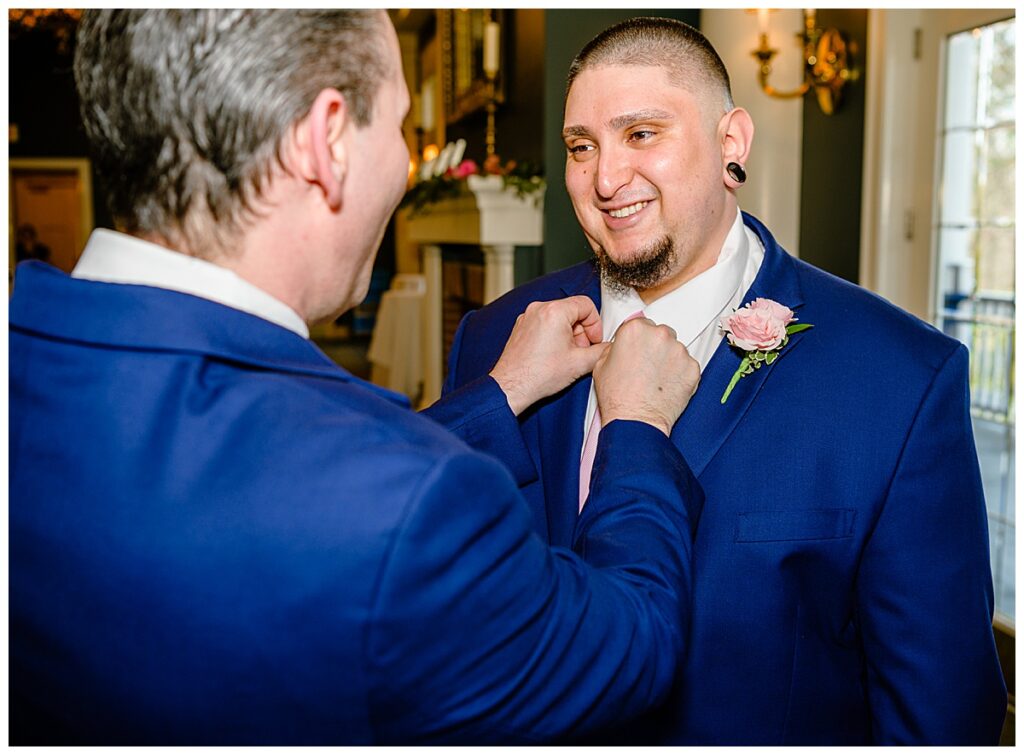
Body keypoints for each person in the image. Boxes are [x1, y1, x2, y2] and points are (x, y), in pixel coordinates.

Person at [9, 10, 706, 745]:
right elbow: (635, 641)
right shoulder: (400, 505)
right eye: (402, 128)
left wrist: (499, 395)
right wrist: (636, 423)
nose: (407, 166)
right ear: (328, 139)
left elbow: (282, 482)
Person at [442, 16, 1007, 745]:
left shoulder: (899, 380)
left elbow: (941, 714)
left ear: (730, 143)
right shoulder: (495, 339)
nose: (605, 179)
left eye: (642, 134)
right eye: (582, 147)